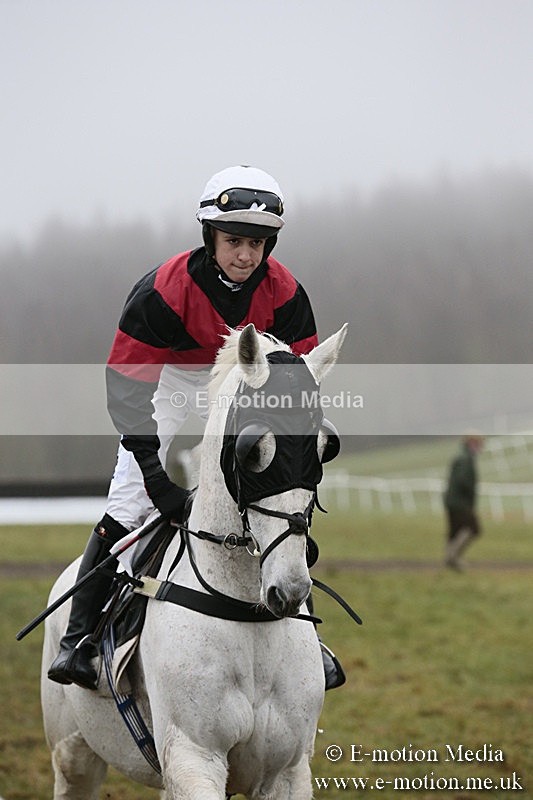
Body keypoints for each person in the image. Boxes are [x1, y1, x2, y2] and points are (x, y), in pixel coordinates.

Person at [48, 165, 344, 692]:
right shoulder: (163, 290)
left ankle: (309, 637)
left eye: (257, 243)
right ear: (210, 236)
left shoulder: (286, 292)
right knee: (128, 501)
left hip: (244, 390)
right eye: (234, 241)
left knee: (279, 497)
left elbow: (297, 390)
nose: (246, 256)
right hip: (168, 384)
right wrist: (156, 480)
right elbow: (128, 391)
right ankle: (80, 639)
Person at [443, 432, 484, 569]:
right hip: (460, 502)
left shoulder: (461, 456)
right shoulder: (466, 459)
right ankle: (452, 557)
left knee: (454, 531)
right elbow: (463, 480)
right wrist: (470, 492)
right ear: (472, 443)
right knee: (473, 528)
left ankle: (450, 557)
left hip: (452, 500)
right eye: (479, 443)